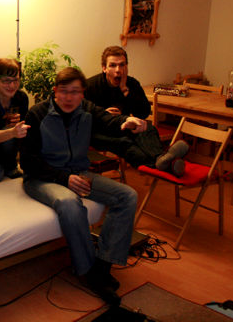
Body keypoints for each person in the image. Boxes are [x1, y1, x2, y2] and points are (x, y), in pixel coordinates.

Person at [20, 67, 145, 306]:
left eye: (75, 92)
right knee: (69, 202)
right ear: (55, 91)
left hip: (79, 173)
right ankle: (88, 271)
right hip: (41, 178)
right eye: (64, 91)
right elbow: (27, 162)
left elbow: (109, 120)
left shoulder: (87, 109)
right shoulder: (37, 114)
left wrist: (127, 121)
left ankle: (103, 266)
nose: (69, 97)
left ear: (83, 93)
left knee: (127, 195)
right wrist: (63, 178)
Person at [85, 46, 188, 176]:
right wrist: (103, 115)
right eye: (113, 65)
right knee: (125, 143)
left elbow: (143, 113)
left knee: (148, 128)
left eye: (122, 65)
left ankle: (161, 160)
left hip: (125, 126)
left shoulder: (132, 84)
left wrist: (125, 91)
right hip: (98, 132)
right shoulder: (90, 86)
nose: (118, 70)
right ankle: (166, 163)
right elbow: (82, 117)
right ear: (104, 68)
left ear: (126, 67)